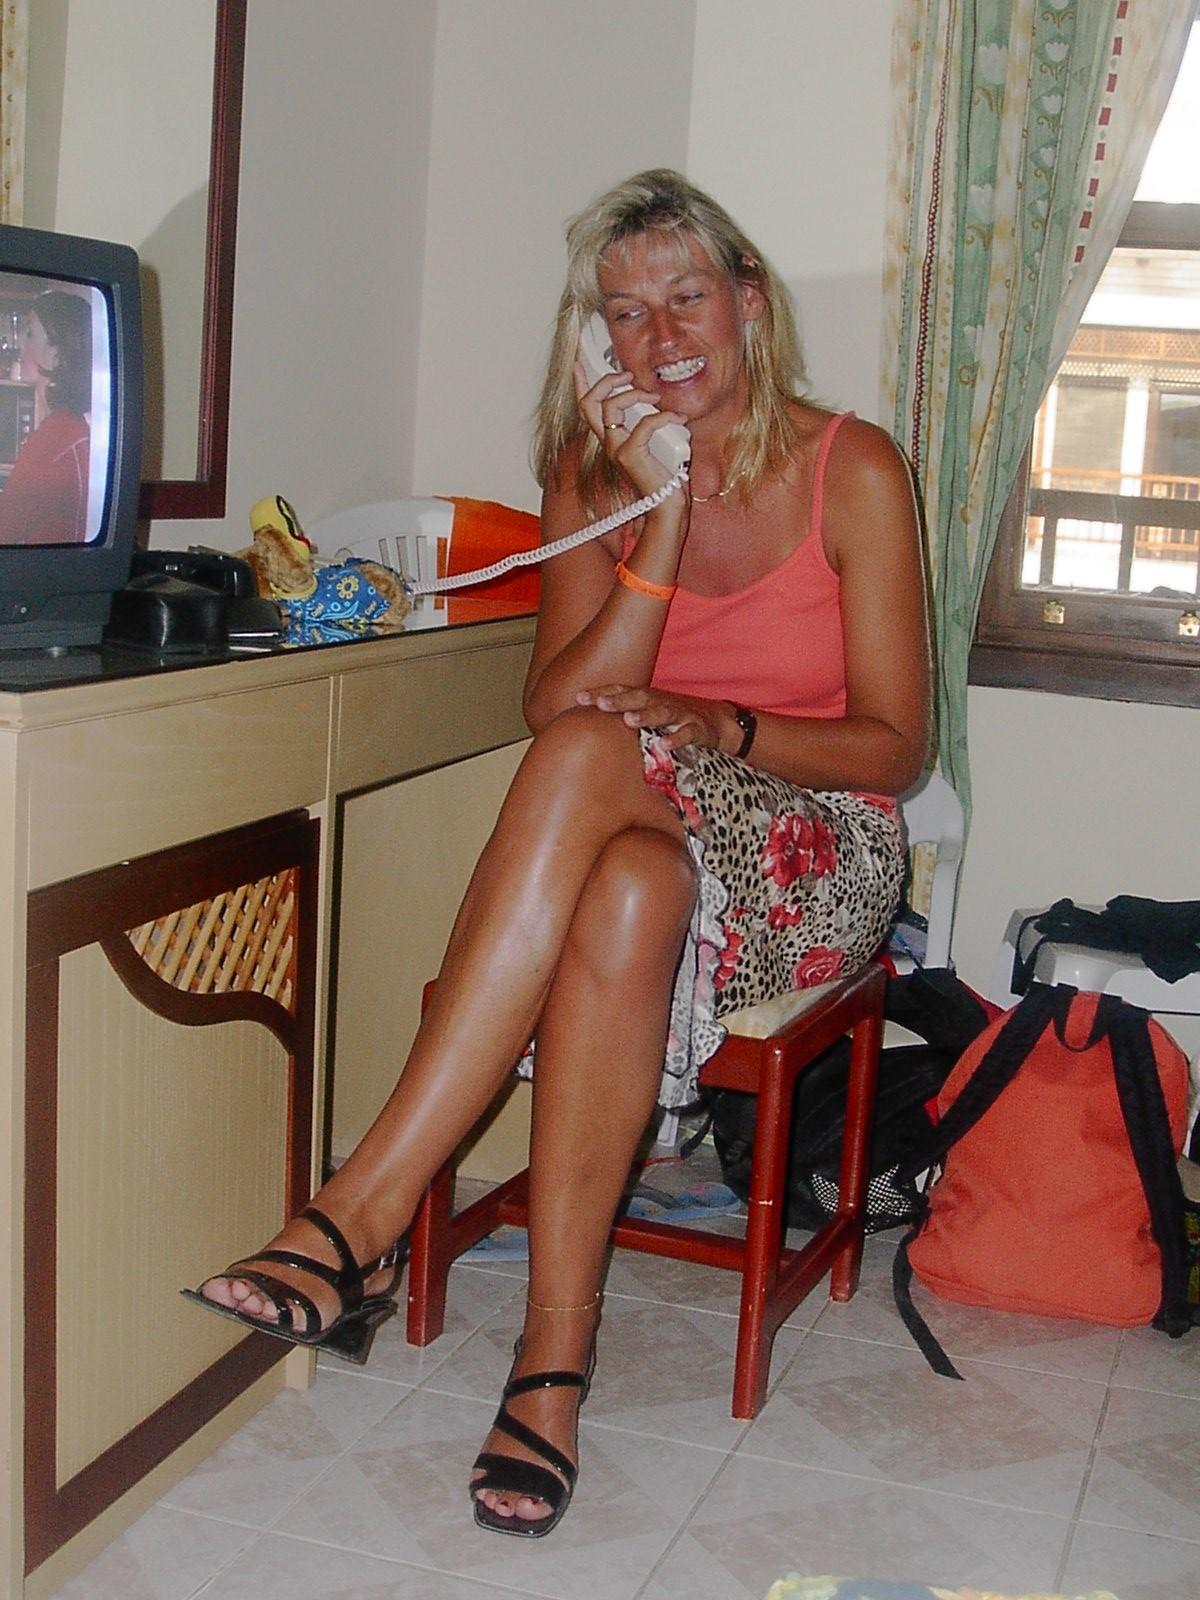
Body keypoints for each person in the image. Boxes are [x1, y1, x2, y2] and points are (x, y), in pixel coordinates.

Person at [185, 168, 930, 1537]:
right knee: (626, 886)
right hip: (652, 815)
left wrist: (724, 723)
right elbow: (558, 701)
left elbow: (896, 748)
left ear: (749, 305)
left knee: (594, 756)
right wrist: (658, 518)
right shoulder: (592, 474)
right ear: (597, 340)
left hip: (820, 842)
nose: (662, 337)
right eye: (625, 314)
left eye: (687, 297)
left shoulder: (855, 466)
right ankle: (550, 1365)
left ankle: (360, 1212)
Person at [0, 290, 91, 545]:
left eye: (30, 333)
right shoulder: (68, 427)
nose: (20, 344)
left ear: (57, 355)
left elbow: (5, 528)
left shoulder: (56, 437)